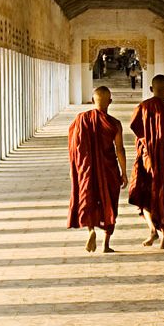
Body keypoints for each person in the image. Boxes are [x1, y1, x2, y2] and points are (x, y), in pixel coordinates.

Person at [128, 75, 164, 249]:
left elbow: (138, 132)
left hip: (148, 158)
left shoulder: (142, 107)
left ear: (151, 89)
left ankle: (153, 229)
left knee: (145, 194)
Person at [67, 86, 127, 253]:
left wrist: (75, 168)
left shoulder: (81, 119)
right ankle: (106, 244)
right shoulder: (115, 123)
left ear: (93, 101)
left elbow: (74, 147)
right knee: (110, 203)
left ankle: (91, 230)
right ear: (110, 102)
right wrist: (124, 172)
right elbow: (120, 149)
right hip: (109, 169)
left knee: (89, 200)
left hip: (86, 169)